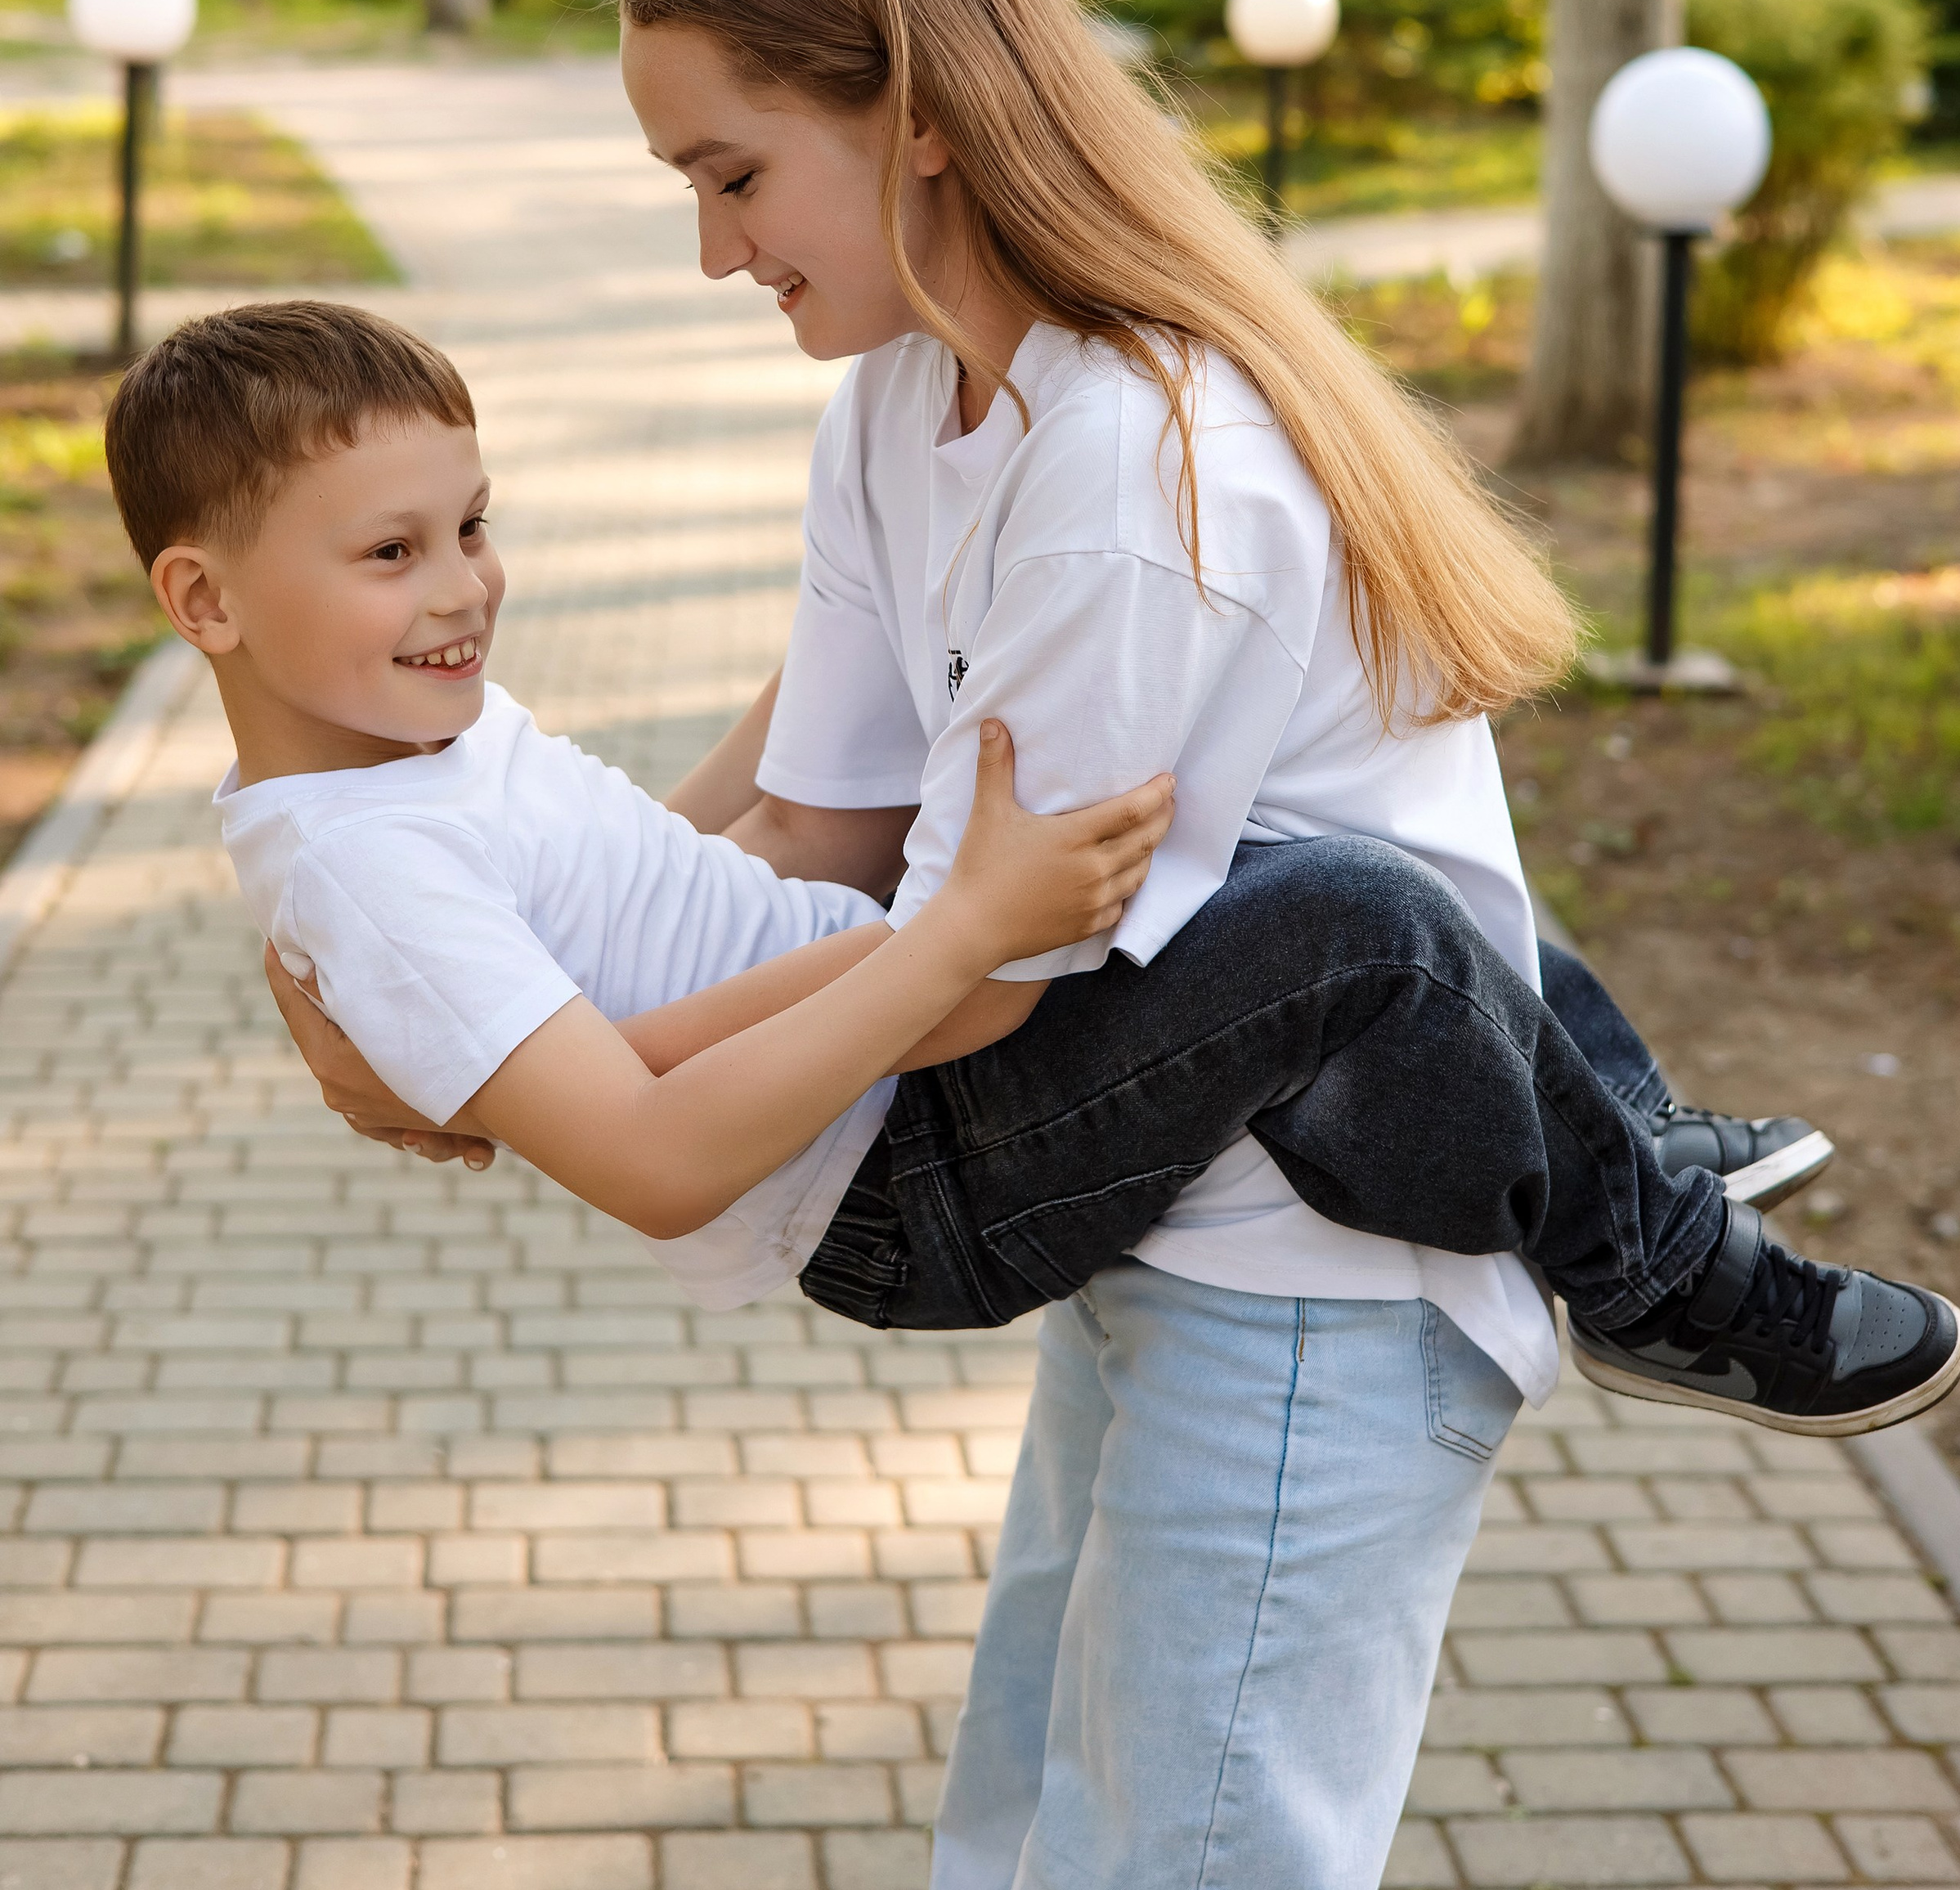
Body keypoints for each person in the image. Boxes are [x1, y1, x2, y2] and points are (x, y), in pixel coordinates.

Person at [594, 0, 1960, 1890]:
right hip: (1159, 1246)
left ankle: (1653, 1242)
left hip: (1326, 1287)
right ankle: (1655, 1202)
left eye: (735, 176)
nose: (710, 248)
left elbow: (968, 993)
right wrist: (525, 951)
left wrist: (579, 1076)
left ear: (915, 114)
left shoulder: (1140, 474)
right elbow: (812, 830)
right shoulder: (909, 411)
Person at [102, 303, 1176, 1278]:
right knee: (1328, 928)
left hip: (889, 1039)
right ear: (205, 600)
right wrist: (961, 932)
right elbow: (655, 1165)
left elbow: (625, 866)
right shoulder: (368, 864)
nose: (466, 588)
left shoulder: (406, 751)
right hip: (900, 1156)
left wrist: (870, 631)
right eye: (393, 551)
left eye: (471, 528)